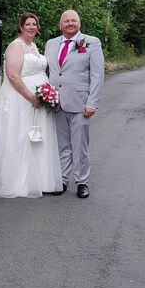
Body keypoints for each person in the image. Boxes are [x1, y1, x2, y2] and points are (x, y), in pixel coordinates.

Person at [0, 13, 63, 198]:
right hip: (21, 100)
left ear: (38, 27)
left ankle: (41, 180)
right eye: (27, 24)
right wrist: (32, 98)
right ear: (21, 27)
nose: (31, 27)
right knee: (21, 137)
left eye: (34, 24)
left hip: (38, 100)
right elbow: (13, 76)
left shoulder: (33, 46)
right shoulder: (16, 46)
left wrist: (45, 94)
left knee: (37, 138)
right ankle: (20, 181)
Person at [45, 10, 104, 199]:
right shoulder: (50, 44)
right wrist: (45, 96)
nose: (70, 23)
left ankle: (82, 182)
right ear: (60, 25)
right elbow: (48, 72)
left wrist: (92, 103)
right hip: (56, 102)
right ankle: (62, 180)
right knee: (61, 145)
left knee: (80, 146)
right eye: (66, 21)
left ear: (79, 23)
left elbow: (97, 75)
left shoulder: (92, 42)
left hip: (80, 103)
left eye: (74, 20)